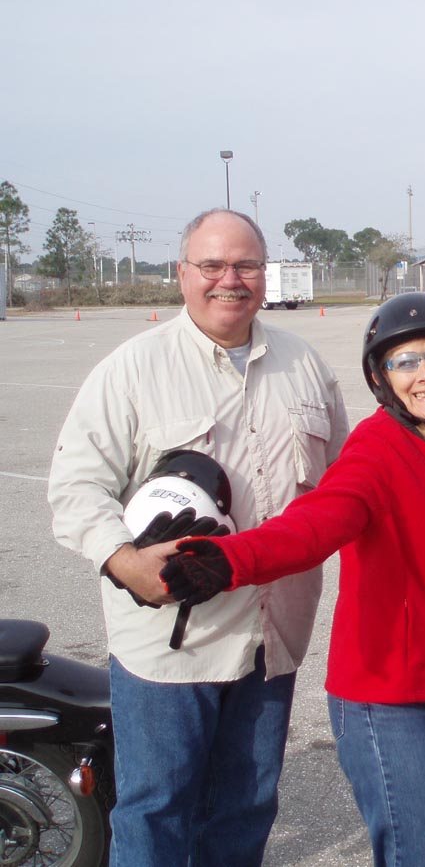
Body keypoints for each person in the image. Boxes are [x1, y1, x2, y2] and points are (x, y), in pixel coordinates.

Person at [158, 292, 425, 866]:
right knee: (422, 855)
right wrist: (225, 560)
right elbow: (313, 525)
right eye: (404, 362)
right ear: (381, 377)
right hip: (385, 701)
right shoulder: (375, 452)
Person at [46, 209, 349, 867]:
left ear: (264, 274)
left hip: (270, 640)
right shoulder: (133, 369)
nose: (228, 280)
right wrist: (124, 561)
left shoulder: (304, 366)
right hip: (169, 649)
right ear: (183, 274)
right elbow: (75, 487)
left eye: (245, 265)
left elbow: (344, 490)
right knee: (158, 809)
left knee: (246, 808)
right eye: (211, 265)